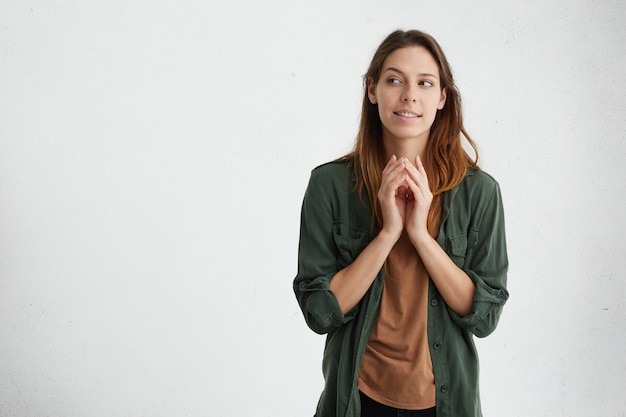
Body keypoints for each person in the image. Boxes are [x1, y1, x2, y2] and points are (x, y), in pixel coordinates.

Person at [293, 29, 509, 417]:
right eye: (394, 80)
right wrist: (388, 233)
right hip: (355, 401)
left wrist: (421, 236)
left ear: (442, 97)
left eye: (425, 83)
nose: (409, 94)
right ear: (372, 89)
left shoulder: (480, 193)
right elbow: (320, 312)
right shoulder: (328, 186)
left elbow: (485, 317)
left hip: (444, 403)